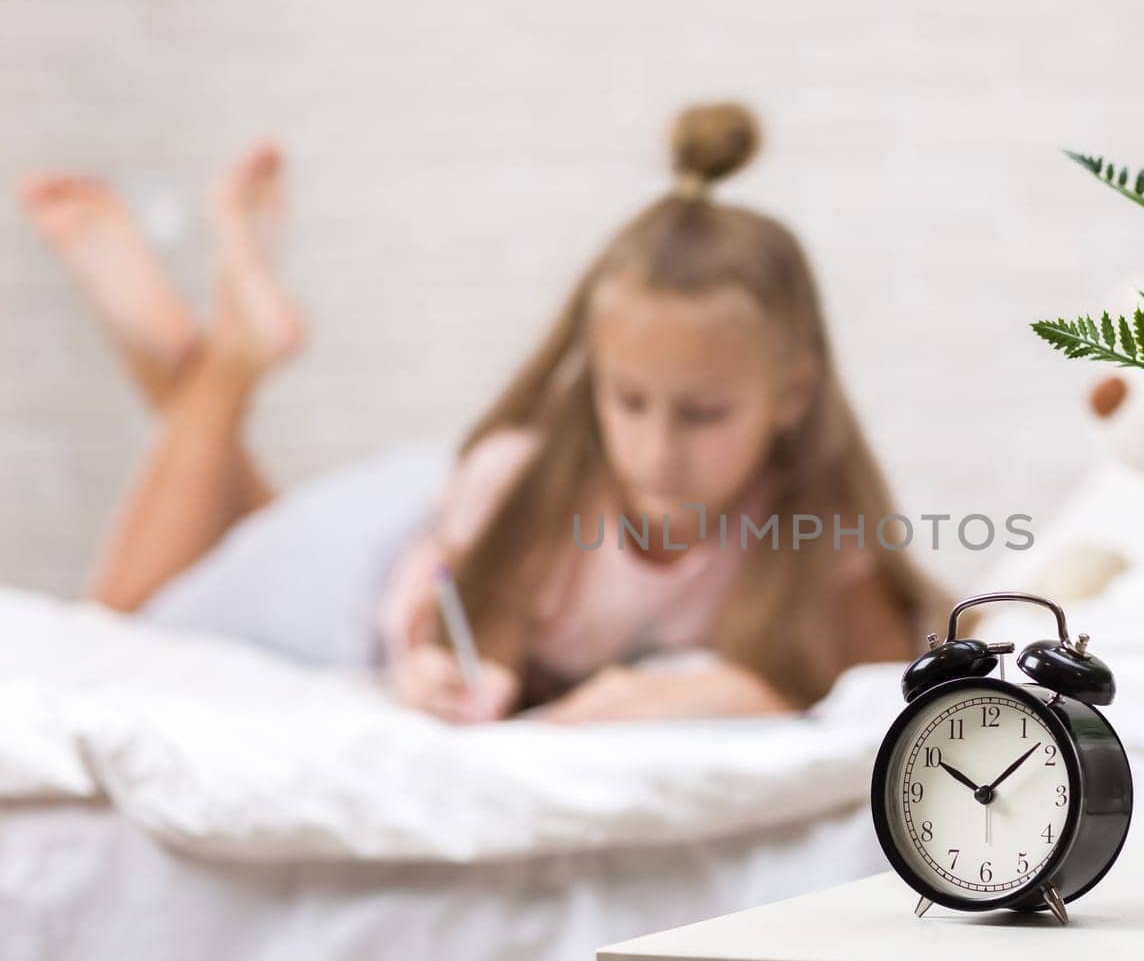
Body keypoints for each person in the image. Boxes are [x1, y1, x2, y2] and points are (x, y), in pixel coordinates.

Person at [19, 103, 945, 724]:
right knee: (115, 630)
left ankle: (178, 365)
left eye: (701, 414)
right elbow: (443, 640)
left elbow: (869, 688)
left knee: (241, 531)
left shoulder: (814, 528)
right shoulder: (521, 484)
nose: (658, 450)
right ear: (592, 382)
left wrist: (714, 693)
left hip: (427, 508)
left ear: (791, 395)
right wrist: (430, 666)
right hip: (380, 554)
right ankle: (226, 364)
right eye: (629, 402)